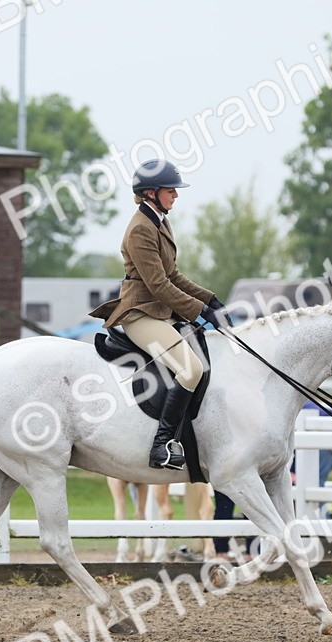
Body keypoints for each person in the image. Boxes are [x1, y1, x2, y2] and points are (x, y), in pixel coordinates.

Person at [90, 159, 229, 470]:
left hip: (160, 313)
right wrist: (200, 311)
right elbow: (158, 285)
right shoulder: (140, 229)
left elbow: (174, 275)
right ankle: (162, 444)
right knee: (191, 369)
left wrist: (212, 300)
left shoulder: (159, 222)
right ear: (151, 193)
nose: (176, 195)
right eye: (171, 190)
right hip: (141, 314)